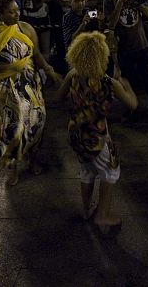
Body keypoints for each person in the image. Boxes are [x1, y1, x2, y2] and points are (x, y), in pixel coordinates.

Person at [0, 0, 61, 186]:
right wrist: (9, 68)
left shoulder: (26, 28)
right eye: (11, 12)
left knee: (37, 122)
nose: (17, 14)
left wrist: (48, 70)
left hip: (30, 84)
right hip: (5, 87)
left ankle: (33, 158)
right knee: (14, 127)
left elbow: (36, 54)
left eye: (17, 10)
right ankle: (12, 167)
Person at [58, 32, 138, 230]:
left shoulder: (72, 75)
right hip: (97, 135)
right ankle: (102, 215)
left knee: (87, 170)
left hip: (76, 131)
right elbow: (133, 104)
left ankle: (86, 210)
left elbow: (59, 97)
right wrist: (128, 86)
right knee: (111, 171)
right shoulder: (109, 82)